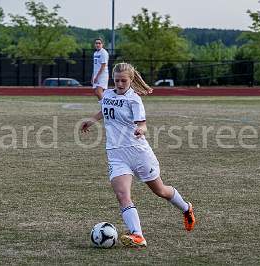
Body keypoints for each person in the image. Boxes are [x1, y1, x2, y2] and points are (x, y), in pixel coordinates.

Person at [81, 62, 196, 248]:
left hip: (138, 153)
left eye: (123, 81)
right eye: (116, 80)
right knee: (122, 195)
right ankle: (138, 235)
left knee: (160, 191)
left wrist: (140, 130)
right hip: (116, 154)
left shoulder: (134, 99)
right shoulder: (108, 94)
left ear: (131, 80)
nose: (119, 84)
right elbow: (104, 109)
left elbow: (142, 123)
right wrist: (91, 120)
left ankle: (186, 208)